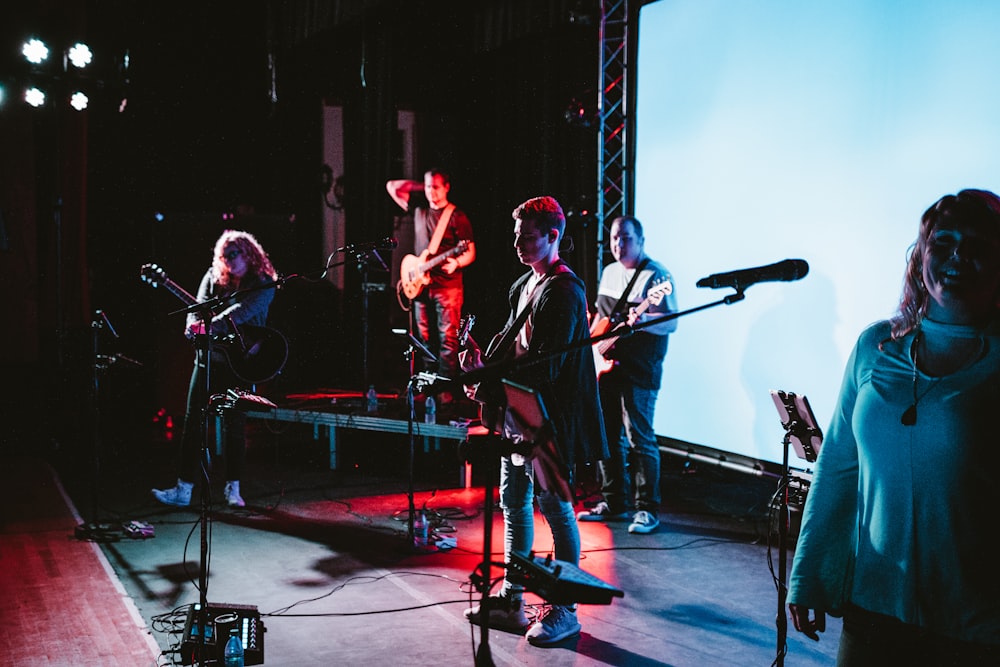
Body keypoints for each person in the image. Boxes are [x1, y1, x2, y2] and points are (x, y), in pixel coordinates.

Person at [787, 189, 1000, 664]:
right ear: (921, 255)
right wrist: (810, 577)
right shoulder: (875, 346)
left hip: (976, 626)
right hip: (874, 610)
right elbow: (839, 466)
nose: (958, 256)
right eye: (944, 242)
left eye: (978, 246)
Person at [459, 196, 608, 647]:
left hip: (548, 422)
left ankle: (566, 611)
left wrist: (488, 384)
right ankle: (512, 597)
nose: (519, 244)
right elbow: (516, 349)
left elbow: (547, 371)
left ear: (553, 237)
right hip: (518, 416)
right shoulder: (527, 283)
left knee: (558, 511)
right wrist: (482, 366)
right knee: (514, 501)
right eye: (516, 235)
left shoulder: (564, 291)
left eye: (528, 236)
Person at [152, 230, 279, 509]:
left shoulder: (262, 283)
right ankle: (183, 489)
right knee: (192, 424)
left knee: (234, 425)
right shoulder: (213, 277)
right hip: (209, 357)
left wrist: (208, 323)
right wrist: (191, 325)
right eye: (223, 255)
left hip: (240, 363)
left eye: (232, 254)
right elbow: (196, 308)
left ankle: (234, 488)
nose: (226, 260)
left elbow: (240, 314)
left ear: (248, 254)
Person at [577, 215, 678, 534]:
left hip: (640, 369)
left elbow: (671, 322)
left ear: (642, 240)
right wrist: (594, 348)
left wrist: (640, 317)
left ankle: (647, 509)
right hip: (607, 367)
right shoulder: (609, 272)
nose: (618, 244)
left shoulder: (657, 275)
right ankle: (615, 501)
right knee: (607, 436)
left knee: (640, 437)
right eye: (614, 238)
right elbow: (600, 317)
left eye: (626, 238)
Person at [386, 169, 476, 406]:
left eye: (436, 187)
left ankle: (446, 390)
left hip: (448, 287)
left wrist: (456, 261)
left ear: (447, 187)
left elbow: (470, 250)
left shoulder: (456, 216)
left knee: (448, 340)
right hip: (421, 286)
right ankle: (428, 387)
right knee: (423, 340)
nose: (431, 193)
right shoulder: (419, 210)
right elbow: (393, 186)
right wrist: (423, 185)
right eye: (428, 187)